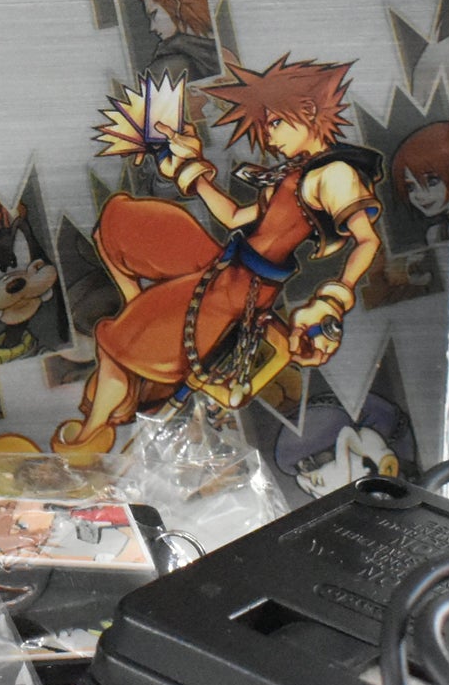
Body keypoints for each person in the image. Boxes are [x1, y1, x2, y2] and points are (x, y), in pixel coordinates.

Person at [55, 54, 383, 453]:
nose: (270, 138)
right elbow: (234, 217)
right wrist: (190, 167)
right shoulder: (293, 175)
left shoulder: (335, 174)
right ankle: (135, 307)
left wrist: (332, 300)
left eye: (275, 123)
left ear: (309, 111)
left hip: (240, 292)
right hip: (224, 268)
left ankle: (87, 434)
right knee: (120, 223)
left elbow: (368, 241)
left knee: (126, 341)